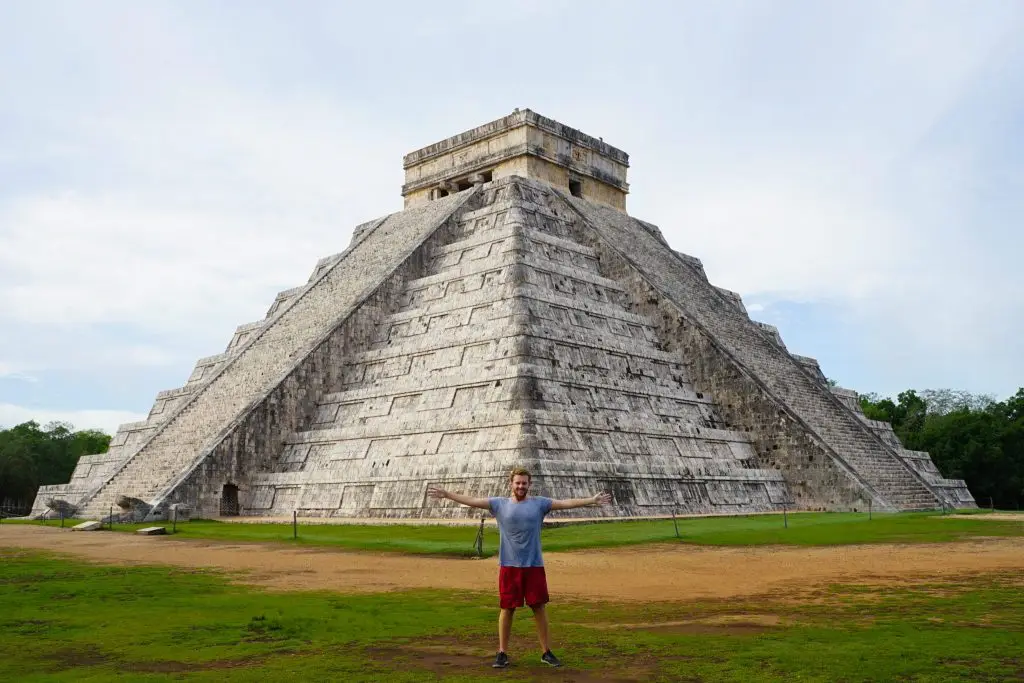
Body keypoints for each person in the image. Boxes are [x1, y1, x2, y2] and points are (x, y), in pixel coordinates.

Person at [427, 467, 612, 669]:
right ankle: (502, 652)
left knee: (539, 607)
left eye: (524, 483)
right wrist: (447, 495)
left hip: (533, 565)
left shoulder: (539, 504)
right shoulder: (499, 504)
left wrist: (591, 500)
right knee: (507, 608)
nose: (521, 486)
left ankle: (546, 652)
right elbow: (471, 500)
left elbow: (565, 503)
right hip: (509, 565)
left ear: (529, 484)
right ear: (511, 483)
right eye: (517, 483)